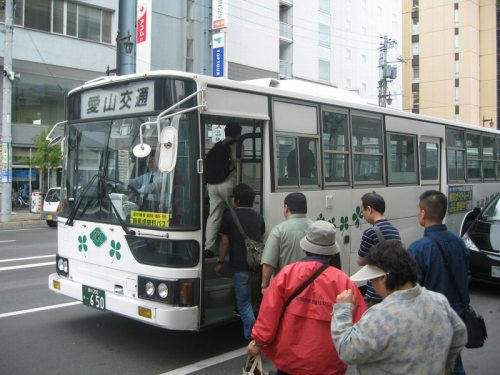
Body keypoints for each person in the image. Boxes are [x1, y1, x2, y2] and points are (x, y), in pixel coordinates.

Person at [248, 221, 366, 375]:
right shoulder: (343, 281)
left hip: (290, 362)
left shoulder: (287, 274)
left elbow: (269, 313)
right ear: (331, 252)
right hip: (328, 364)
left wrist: (257, 342)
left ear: (305, 247)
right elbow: (361, 326)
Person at [331, 240, 467, 374]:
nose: (371, 284)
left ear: (383, 278)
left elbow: (347, 351)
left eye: (372, 280)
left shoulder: (380, 316)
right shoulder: (439, 301)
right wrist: (447, 366)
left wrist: (343, 309)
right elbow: (460, 336)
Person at [409, 190, 470, 374]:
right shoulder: (459, 243)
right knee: (454, 362)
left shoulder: (418, 248)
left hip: (431, 321)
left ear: (423, 214)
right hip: (457, 315)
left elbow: (411, 290)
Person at [214, 183, 265, 340]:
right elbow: (260, 236)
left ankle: (254, 337)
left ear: (235, 200)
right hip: (257, 266)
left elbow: (224, 241)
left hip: (240, 267)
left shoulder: (229, 215)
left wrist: (220, 261)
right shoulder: (258, 216)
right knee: (251, 301)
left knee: (244, 303)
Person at [260, 192, 312, 293]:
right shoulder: (314, 228)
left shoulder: (279, 230)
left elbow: (268, 264)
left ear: (286, 208)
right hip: (310, 289)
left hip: (286, 289)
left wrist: (264, 285)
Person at [356, 191, 400, 306]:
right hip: (391, 289)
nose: (362, 215)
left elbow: (360, 260)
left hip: (375, 291)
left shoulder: (370, 232)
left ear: (369, 209)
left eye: (362, 211)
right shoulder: (394, 230)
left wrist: (374, 256)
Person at [205, 123, 242, 253]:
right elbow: (236, 161)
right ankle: (239, 245)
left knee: (214, 215)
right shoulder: (235, 144)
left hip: (212, 185)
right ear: (238, 133)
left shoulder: (218, 145)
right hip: (227, 184)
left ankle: (208, 248)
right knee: (237, 213)